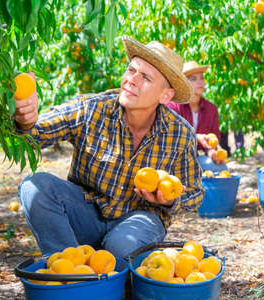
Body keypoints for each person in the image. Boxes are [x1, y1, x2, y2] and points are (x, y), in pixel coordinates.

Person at [14, 36, 204, 258]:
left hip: (140, 219)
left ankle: (109, 272)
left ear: (165, 95)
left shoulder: (179, 132)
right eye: (131, 70)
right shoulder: (92, 109)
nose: (131, 80)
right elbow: (39, 132)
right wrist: (25, 120)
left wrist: (170, 199)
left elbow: (195, 192)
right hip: (86, 213)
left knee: (121, 247)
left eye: (145, 78)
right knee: (35, 187)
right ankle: (68, 268)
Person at [166, 61, 227, 172]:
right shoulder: (173, 106)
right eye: (193, 79)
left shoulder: (211, 109)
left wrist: (212, 152)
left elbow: (213, 139)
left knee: (221, 168)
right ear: (184, 83)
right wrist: (196, 137)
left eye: (201, 78)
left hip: (196, 159)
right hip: (173, 160)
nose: (200, 82)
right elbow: (170, 136)